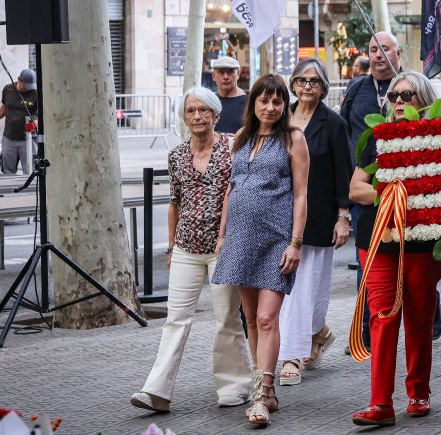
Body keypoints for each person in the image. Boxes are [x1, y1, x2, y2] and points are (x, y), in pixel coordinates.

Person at [131, 87, 252, 413]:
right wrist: (171, 247)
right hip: (186, 247)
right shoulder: (177, 155)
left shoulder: (232, 146)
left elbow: (236, 192)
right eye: (191, 111)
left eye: (203, 110)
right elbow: (174, 204)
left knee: (225, 318)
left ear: (215, 114)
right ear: (185, 118)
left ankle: (235, 387)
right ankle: (156, 391)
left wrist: (226, 234)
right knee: (175, 319)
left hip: (223, 248)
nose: (197, 116)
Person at [348, 71, 441, 427]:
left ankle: (419, 391)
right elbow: (356, 188)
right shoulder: (374, 138)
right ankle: (380, 404)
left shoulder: (440, 139)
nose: (400, 102)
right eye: (393, 96)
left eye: (408, 95)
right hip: (377, 241)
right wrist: (390, 195)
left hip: (422, 242)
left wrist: (417, 197)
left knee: (420, 318)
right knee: (382, 318)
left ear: (425, 98)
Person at [211, 75, 310, 425]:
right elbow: (230, 189)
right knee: (250, 319)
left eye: (277, 102)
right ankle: (264, 387)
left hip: (275, 240)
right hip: (239, 238)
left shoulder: (293, 139)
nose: (270, 108)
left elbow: (301, 195)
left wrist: (295, 242)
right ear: (253, 103)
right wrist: (222, 235)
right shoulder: (240, 138)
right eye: (263, 101)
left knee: (268, 318)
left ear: (285, 106)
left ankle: (260, 396)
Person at [277, 58, 352, 387]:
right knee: (282, 288)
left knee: (306, 288)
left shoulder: (333, 123)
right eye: (302, 80)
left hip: (319, 217)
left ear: (323, 88)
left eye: (315, 81)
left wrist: (343, 216)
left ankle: (291, 355)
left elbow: (343, 172)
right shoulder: (278, 117)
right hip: (277, 216)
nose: (308, 86)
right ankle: (318, 333)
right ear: (292, 84)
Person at [340, 32, 404, 350]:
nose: (378, 55)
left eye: (384, 49)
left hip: (404, 187)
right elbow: (343, 128)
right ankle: (367, 326)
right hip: (363, 186)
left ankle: (430, 317)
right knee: (365, 257)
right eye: (372, 50)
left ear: (398, 53)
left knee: (411, 255)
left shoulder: (408, 85)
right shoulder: (357, 89)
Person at [0, 69, 37, 174]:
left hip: (28, 139)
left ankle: (29, 190)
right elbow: (4, 109)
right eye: (26, 85)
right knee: (7, 171)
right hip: (9, 138)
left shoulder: (35, 93)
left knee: (31, 172)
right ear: (19, 80)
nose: (28, 88)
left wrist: (34, 123)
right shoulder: (8, 89)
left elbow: (42, 114)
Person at [210, 56, 248, 134]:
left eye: (230, 72)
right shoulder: (209, 102)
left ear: (238, 73)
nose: (225, 77)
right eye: (221, 72)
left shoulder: (251, 100)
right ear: (213, 76)